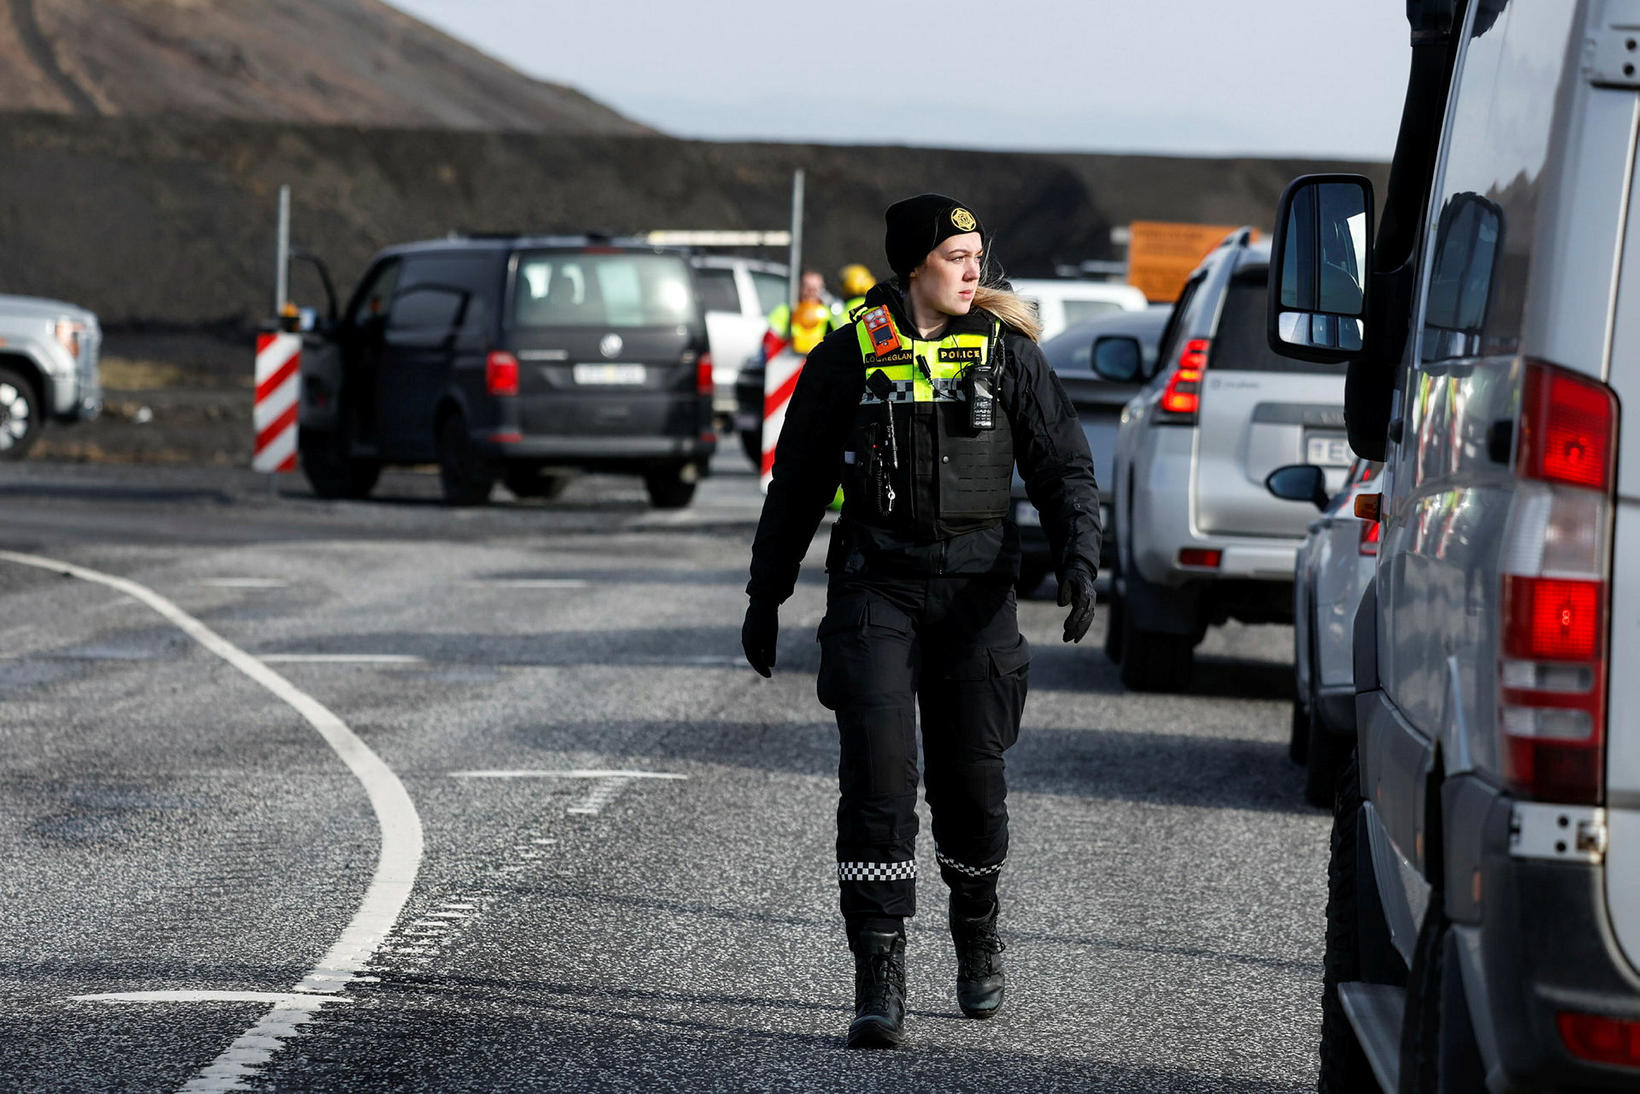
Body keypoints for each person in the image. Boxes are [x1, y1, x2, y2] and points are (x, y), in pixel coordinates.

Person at [741, 194, 1100, 1049]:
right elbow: (797, 482)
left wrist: (1080, 559)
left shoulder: (1007, 355)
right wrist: (766, 591)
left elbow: (1063, 468)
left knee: (971, 791)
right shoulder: (848, 357)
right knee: (878, 780)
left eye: (978, 257)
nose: (974, 271)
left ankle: (976, 923)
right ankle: (879, 973)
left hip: (977, 597)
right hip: (878, 590)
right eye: (955, 257)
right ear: (914, 265)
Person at [765, 269, 840, 356]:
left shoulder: (830, 314)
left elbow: (839, 341)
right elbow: (771, 341)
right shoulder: (785, 311)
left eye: (815, 288)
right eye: (807, 287)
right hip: (790, 360)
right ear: (799, 286)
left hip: (819, 360)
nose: (811, 292)